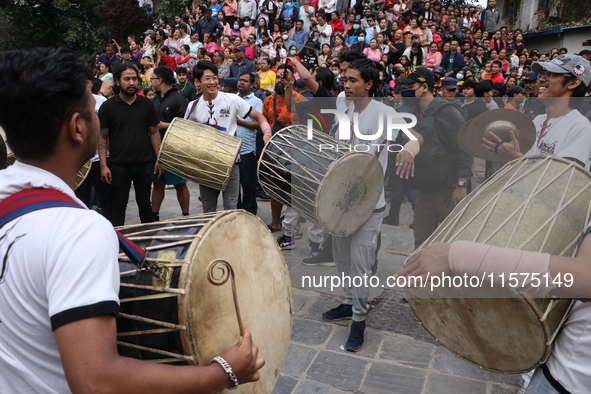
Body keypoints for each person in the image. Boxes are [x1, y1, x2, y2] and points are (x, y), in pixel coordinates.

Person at [0, 46, 264, 394]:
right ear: (78, 127)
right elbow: (96, 381)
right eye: (91, 110)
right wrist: (222, 373)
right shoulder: (79, 232)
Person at [398, 56, 591, 394]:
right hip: (521, 218)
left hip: (547, 228)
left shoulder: (582, 129)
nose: (539, 79)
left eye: (551, 75)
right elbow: (531, 172)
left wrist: (517, 160)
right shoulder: (540, 119)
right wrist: (512, 156)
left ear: (574, 83)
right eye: (540, 74)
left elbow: (557, 185)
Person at [321, 58, 421, 352]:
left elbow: (416, 136)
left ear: (369, 83)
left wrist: (407, 150)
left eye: (352, 80)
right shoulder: (345, 108)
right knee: (341, 259)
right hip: (340, 199)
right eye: (344, 79)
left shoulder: (385, 112)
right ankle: (350, 303)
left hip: (370, 203)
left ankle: (359, 321)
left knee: (361, 262)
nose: (346, 84)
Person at [396, 67, 472, 249]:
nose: (406, 91)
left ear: (424, 87)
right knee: (421, 242)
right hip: (425, 189)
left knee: (450, 246)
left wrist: (461, 184)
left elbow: (464, 147)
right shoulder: (413, 113)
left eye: (411, 86)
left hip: (449, 190)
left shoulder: (447, 110)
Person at [185, 61, 271, 212]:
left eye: (214, 78)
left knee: (231, 210)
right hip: (206, 165)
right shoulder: (192, 106)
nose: (212, 82)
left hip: (231, 164)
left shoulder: (232, 100)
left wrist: (267, 133)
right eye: (207, 78)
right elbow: (187, 134)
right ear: (197, 82)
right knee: (208, 210)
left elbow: (260, 117)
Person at [98, 63, 162, 226]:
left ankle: (148, 239)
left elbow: (154, 132)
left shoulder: (147, 104)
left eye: (134, 79)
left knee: (145, 204)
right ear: (118, 82)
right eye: (127, 79)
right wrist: (104, 166)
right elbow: (103, 137)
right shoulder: (108, 106)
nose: (132, 82)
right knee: (118, 206)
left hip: (144, 163)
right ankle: (118, 242)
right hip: (118, 165)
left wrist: (159, 159)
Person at [150, 66, 190, 221]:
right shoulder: (154, 100)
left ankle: (185, 215)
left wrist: (163, 125)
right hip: (156, 148)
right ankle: (154, 215)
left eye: (153, 78)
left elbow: (184, 125)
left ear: (160, 80)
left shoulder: (179, 99)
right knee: (157, 183)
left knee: (180, 184)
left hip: (174, 148)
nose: (151, 81)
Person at [236, 72, 270, 215]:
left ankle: (250, 214)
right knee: (233, 188)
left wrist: (240, 122)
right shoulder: (231, 99)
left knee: (248, 186)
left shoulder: (256, 102)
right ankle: (236, 213)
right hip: (231, 149)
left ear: (252, 84)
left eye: (245, 81)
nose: (242, 82)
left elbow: (259, 124)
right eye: (240, 80)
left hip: (247, 150)